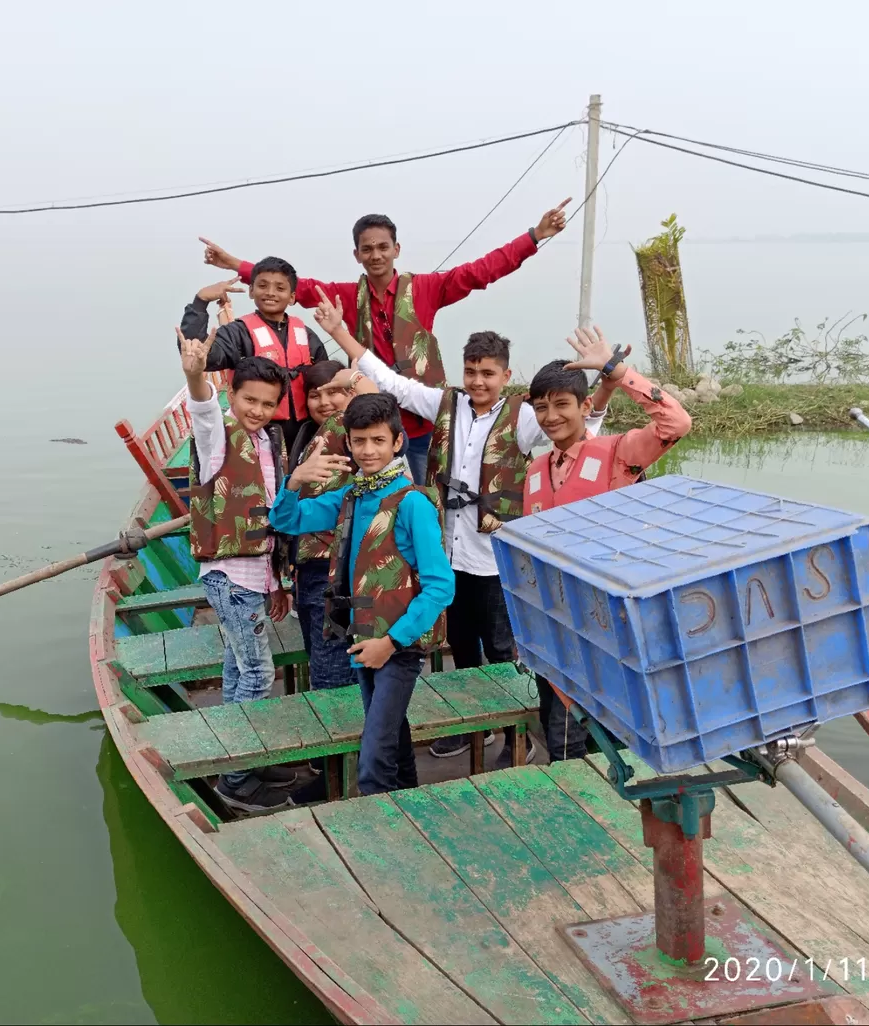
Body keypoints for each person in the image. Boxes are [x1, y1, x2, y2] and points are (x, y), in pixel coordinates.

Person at [313, 290, 605, 767]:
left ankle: (518, 735)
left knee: (507, 653)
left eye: (488, 373)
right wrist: (339, 333)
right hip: (449, 556)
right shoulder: (445, 403)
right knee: (462, 650)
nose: (478, 381)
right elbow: (392, 382)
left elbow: (576, 428)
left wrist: (604, 382)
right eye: (471, 372)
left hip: (496, 561)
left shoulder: (526, 416)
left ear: (506, 376)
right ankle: (479, 729)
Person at [198, 199, 573, 481]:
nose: (375, 255)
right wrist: (236, 265)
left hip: (425, 422)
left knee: (431, 496)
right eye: (367, 248)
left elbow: (481, 271)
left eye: (382, 247)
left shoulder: (427, 288)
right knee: (375, 502)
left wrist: (534, 236)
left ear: (397, 249)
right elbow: (296, 287)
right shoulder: (346, 295)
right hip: (371, 425)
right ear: (357, 254)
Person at [270, 393, 454, 795]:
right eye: (359, 441)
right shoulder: (351, 496)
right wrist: (295, 481)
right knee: (391, 733)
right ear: (348, 443)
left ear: (397, 443)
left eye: (377, 441)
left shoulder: (412, 504)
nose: (368, 451)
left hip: (397, 645)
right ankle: (410, 805)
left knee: (373, 756)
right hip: (363, 637)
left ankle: (380, 836)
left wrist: (391, 643)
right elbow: (288, 519)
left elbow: (441, 586)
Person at [525, 327, 692, 760]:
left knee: (614, 748)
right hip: (558, 633)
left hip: (613, 631)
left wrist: (616, 371)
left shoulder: (618, 453)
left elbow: (676, 422)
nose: (551, 417)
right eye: (541, 408)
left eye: (561, 405)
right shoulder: (536, 470)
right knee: (562, 742)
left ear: (585, 406)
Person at [176, 324, 297, 813]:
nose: (259, 411)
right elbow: (203, 412)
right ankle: (235, 776)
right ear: (232, 392)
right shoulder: (217, 437)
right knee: (258, 673)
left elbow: (269, 508)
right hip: (229, 577)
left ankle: (241, 753)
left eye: (268, 404)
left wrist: (278, 580)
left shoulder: (269, 442)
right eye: (250, 401)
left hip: (255, 576)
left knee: (235, 670)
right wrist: (194, 376)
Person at [180, 258, 330, 450]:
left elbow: (325, 377)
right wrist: (200, 303)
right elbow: (200, 355)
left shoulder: (305, 333)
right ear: (251, 291)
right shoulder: (238, 333)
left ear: (292, 297)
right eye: (262, 286)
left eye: (280, 288)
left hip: (305, 432)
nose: (270, 293)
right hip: (256, 431)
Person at [287, 360, 360, 691]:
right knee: (322, 655)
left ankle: (352, 739)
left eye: (336, 392)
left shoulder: (352, 432)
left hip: (338, 566)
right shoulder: (306, 437)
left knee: (331, 668)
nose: (325, 402)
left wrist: (358, 378)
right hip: (308, 567)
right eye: (315, 394)